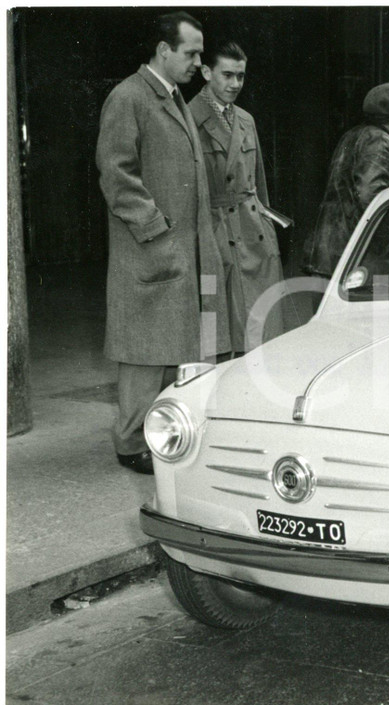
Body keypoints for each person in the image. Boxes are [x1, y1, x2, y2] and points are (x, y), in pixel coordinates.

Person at [96, 11, 229, 475]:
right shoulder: (129, 97)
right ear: (163, 50)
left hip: (184, 246)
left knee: (183, 344)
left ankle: (169, 432)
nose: (198, 61)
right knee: (143, 351)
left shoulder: (173, 97)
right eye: (191, 52)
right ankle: (131, 441)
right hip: (151, 247)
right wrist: (155, 229)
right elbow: (116, 174)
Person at [189, 40, 284, 353]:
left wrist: (266, 228)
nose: (235, 84)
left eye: (240, 76)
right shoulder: (188, 119)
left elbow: (260, 185)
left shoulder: (246, 119)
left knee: (260, 328)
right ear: (206, 72)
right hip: (214, 232)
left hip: (251, 230)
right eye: (227, 75)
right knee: (215, 331)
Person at [303, 82, 389, 277]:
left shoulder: (354, 135)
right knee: (378, 305)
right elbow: (369, 195)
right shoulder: (380, 141)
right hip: (362, 259)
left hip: (334, 254)